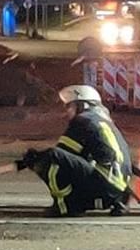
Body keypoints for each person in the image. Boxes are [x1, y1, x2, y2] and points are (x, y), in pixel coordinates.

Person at [17, 85, 131, 217]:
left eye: (70, 106)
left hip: (102, 187)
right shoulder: (103, 122)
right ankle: (93, 201)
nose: (67, 111)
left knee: (52, 158)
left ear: (83, 106)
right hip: (116, 191)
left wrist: (34, 159)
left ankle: (65, 206)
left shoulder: (82, 121)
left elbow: (62, 153)